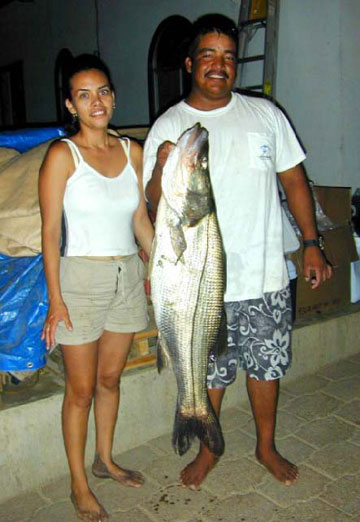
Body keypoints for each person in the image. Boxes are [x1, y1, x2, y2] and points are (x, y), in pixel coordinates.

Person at [143, 14, 332, 491]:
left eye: (228, 57)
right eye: (208, 55)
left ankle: (265, 445)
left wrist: (311, 244)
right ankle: (209, 448)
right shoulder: (171, 125)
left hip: (264, 272)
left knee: (266, 366)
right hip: (198, 282)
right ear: (189, 63)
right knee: (210, 368)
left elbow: (294, 179)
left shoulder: (265, 114)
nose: (219, 65)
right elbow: (150, 201)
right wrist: (163, 167)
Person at [39, 54, 154, 522]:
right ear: (71, 104)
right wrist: (55, 300)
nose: (96, 102)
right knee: (81, 390)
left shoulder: (133, 152)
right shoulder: (61, 156)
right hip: (79, 282)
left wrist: (163, 265)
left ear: (113, 95)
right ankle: (78, 484)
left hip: (128, 275)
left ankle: (104, 461)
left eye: (102, 91)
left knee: (111, 379)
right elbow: (49, 233)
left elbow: (140, 219)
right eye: (83, 95)